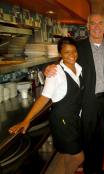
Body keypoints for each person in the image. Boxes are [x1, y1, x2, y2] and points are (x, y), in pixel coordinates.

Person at [44, 13, 104, 174]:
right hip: (86, 101)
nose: (97, 26)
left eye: (100, 23)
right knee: (87, 140)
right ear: (88, 26)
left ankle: (98, 168)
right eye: (93, 23)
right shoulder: (78, 47)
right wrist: (48, 68)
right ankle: (89, 170)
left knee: (102, 140)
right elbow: (64, 60)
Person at [9, 37, 84, 174]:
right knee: (78, 157)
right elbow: (43, 98)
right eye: (67, 52)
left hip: (74, 118)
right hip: (63, 121)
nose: (72, 55)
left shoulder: (79, 69)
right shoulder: (55, 73)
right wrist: (27, 120)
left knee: (68, 154)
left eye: (74, 51)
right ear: (60, 54)